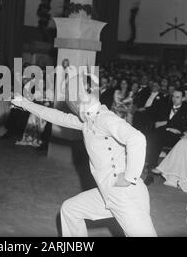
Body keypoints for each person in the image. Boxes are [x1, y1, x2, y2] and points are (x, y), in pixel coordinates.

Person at [12, 73, 157, 237]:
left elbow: (137, 138)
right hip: (107, 192)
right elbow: (57, 116)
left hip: (126, 197)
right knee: (70, 210)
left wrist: (130, 177)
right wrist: (24, 103)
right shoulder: (88, 120)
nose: (70, 105)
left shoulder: (104, 118)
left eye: (71, 100)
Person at [144, 89, 187, 185]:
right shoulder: (166, 107)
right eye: (173, 96)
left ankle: (151, 167)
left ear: (183, 98)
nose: (174, 99)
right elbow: (154, 119)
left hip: (176, 137)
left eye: (177, 97)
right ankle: (150, 173)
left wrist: (168, 124)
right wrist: (166, 125)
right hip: (162, 134)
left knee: (155, 137)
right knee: (155, 137)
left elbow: (185, 127)